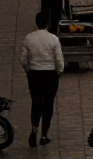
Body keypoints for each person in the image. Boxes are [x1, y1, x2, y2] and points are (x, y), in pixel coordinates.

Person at [20, 10, 64, 148]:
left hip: (35, 74)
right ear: (48, 23)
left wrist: (28, 70)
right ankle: (44, 135)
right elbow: (59, 59)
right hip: (50, 74)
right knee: (48, 104)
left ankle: (34, 130)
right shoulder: (53, 39)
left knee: (36, 102)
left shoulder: (29, 38)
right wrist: (59, 71)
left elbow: (23, 59)